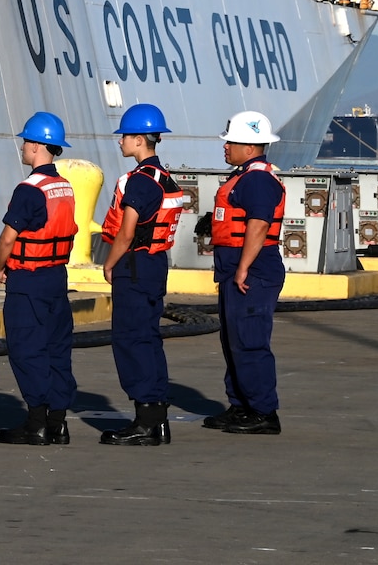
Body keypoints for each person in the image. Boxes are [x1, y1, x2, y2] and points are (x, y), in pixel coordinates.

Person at [99, 103, 184, 446]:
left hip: (133, 267)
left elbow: (127, 230)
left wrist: (108, 263)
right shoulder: (164, 178)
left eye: (124, 137)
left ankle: (145, 422)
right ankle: (157, 419)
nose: (120, 143)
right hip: (154, 265)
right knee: (149, 339)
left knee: (131, 340)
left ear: (138, 140)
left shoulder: (140, 182)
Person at [0, 111, 78, 446]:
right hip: (56, 277)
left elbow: (8, 238)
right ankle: (58, 423)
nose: (23, 146)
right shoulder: (64, 186)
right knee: (57, 350)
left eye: (27, 141)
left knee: (28, 349)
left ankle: (37, 423)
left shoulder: (29, 189)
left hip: (28, 281)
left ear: (39, 146)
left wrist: (0, 267)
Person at [204, 110, 286, 435]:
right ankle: (241, 405)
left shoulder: (257, 180)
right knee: (234, 341)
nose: (225, 147)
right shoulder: (245, 176)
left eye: (231, 142)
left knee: (250, 342)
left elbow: (259, 224)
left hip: (253, 273)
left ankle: (264, 412)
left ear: (249, 147)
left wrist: (242, 268)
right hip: (235, 271)